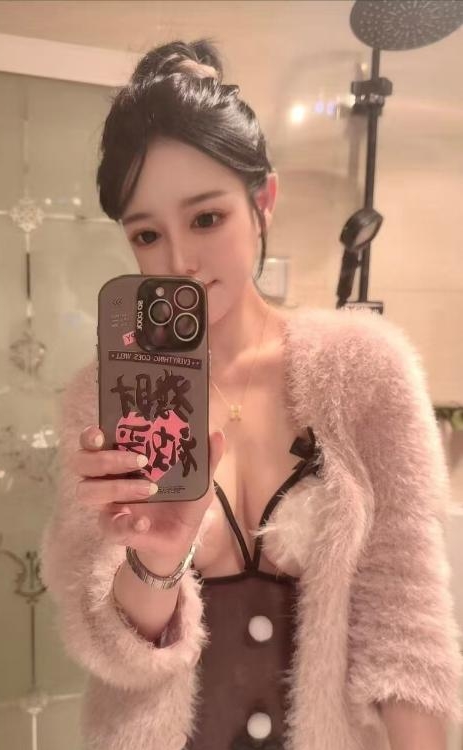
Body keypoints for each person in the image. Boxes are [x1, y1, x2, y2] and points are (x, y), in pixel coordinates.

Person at [40, 39, 462, 750]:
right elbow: (109, 649)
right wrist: (156, 557)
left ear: (262, 201)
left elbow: (405, 619)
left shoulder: (363, 371)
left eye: (206, 218)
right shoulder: (104, 398)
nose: (179, 261)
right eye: (147, 234)